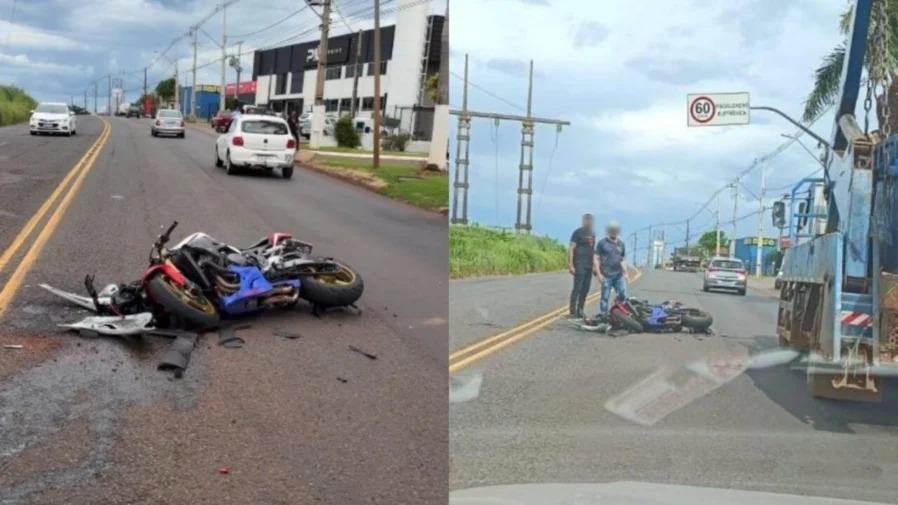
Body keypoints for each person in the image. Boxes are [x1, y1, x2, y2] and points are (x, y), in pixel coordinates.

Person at [595, 220, 630, 315]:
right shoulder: (602, 243)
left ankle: (620, 312)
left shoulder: (621, 244)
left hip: (618, 275)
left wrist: (625, 273)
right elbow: (596, 258)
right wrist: (598, 274)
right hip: (606, 275)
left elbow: (622, 259)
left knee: (622, 294)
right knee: (605, 297)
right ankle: (604, 315)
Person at [568, 213, 596, 319]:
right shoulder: (577, 232)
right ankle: (572, 311)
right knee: (577, 288)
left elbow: (593, 250)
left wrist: (594, 266)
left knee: (585, 289)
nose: (589, 223)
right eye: (587, 220)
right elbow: (571, 248)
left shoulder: (593, 234)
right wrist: (571, 265)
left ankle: (580, 310)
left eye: (591, 221)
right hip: (579, 264)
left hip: (589, 265)